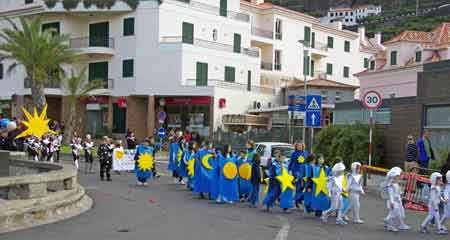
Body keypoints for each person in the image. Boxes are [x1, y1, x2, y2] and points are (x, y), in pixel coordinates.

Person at [382, 167, 410, 232]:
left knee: (401, 214)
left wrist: (401, 195)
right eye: (398, 176)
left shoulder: (396, 184)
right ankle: (389, 224)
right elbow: (391, 194)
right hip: (394, 202)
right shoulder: (390, 185)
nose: (400, 177)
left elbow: (398, 192)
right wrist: (392, 202)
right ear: (393, 177)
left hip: (398, 201)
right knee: (394, 214)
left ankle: (401, 224)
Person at [288, 142, 308, 208]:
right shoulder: (294, 153)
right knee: (298, 186)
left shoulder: (305, 153)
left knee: (304, 186)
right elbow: (291, 162)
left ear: (303, 146)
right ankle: (297, 200)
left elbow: (307, 162)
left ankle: (300, 199)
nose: (299, 147)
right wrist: (290, 170)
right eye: (298, 146)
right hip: (296, 171)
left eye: (300, 146)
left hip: (304, 171)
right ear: (296, 147)